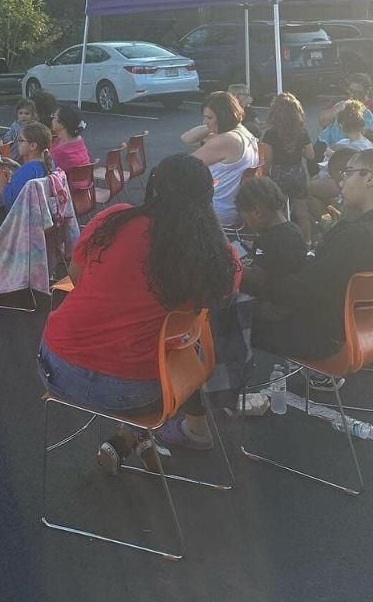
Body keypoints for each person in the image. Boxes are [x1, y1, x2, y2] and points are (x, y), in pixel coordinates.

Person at [38, 154, 242, 468]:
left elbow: (77, 277)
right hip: (136, 392)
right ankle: (164, 431)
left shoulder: (114, 219)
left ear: (154, 189)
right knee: (182, 344)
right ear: (206, 201)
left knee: (149, 341)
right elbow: (218, 298)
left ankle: (132, 436)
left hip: (57, 367)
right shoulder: (212, 259)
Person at [242, 146, 373, 377]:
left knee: (232, 317)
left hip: (325, 339)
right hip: (368, 328)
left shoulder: (357, 238)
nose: (341, 183)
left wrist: (245, 278)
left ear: (370, 177)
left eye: (347, 173)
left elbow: (300, 291)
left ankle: (226, 402)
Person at [182, 91, 259, 229]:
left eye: (209, 118)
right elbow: (187, 138)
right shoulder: (244, 133)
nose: (205, 122)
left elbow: (184, 166)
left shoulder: (225, 140)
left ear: (223, 117)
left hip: (215, 210)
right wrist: (210, 125)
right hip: (232, 208)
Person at [234, 178, 308, 292]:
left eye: (246, 219)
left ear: (257, 212)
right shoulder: (294, 230)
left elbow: (257, 278)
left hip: (272, 300)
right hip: (294, 292)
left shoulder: (265, 241)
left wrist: (235, 266)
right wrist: (255, 248)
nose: (248, 224)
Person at [260, 93, 315, 245]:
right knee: (302, 212)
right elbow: (310, 155)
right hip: (297, 173)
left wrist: (264, 176)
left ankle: (286, 243)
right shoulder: (302, 132)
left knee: (280, 214)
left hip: (279, 174)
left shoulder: (270, 134)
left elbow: (268, 159)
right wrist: (297, 150)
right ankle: (307, 242)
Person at [0, 122, 56, 213]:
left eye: (21, 140)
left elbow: (10, 202)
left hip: (21, 220)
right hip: (40, 216)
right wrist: (17, 166)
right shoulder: (49, 164)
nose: (18, 143)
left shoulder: (26, 170)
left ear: (33, 146)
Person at [317, 73, 373, 145]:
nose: (353, 94)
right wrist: (338, 108)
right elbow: (322, 121)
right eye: (351, 90)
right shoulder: (342, 101)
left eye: (357, 92)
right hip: (334, 145)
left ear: (366, 92)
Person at [49, 104, 92, 190]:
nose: (52, 120)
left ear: (62, 124)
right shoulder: (78, 140)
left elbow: (48, 171)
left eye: (54, 117)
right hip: (83, 189)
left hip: (66, 191)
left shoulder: (61, 152)